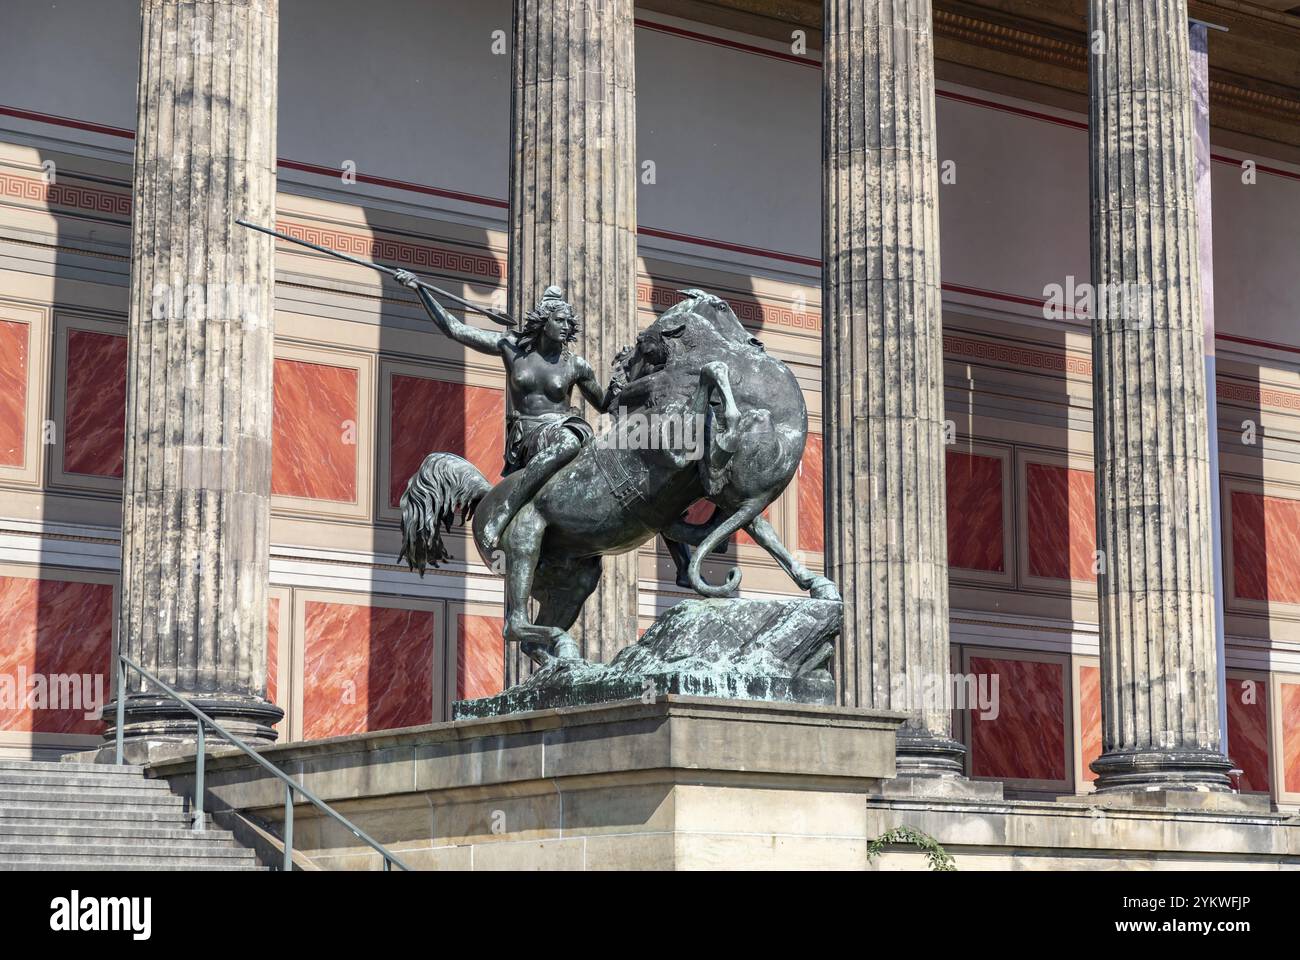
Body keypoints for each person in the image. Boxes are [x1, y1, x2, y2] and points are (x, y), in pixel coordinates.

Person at [395, 272, 620, 549]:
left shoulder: (576, 365)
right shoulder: (511, 348)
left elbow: (606, 404)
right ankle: (506, 509)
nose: (565, 327)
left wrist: (628, 381)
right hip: (528, 434)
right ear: (544, 321)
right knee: (568, 442)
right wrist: (420, 289)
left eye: (568, 322)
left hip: (564, 425)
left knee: (571, 440)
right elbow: (455, 329)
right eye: (559, 320)